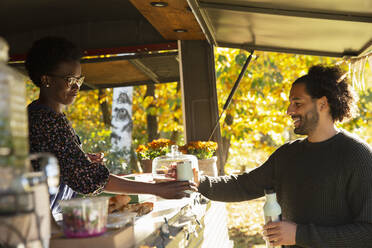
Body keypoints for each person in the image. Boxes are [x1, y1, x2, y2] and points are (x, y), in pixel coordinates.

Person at [197, 65, 372, 247]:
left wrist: (299, 235)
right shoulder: (287, 155)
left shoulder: (357, 155)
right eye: (290, 103)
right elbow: (243, 186)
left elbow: (368, 232)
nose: (289, 111)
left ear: (322, 104)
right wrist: (197, 182)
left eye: (298, 103)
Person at [25, 36, 196, 220]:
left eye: (78, 79)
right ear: (46, 80)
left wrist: (80, 159)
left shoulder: (46, 115)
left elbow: (62, 163)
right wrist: (156, 189)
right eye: (69, 80)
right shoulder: (45, 120)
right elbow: (86, 179)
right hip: (37, 221)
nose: (76, 87)